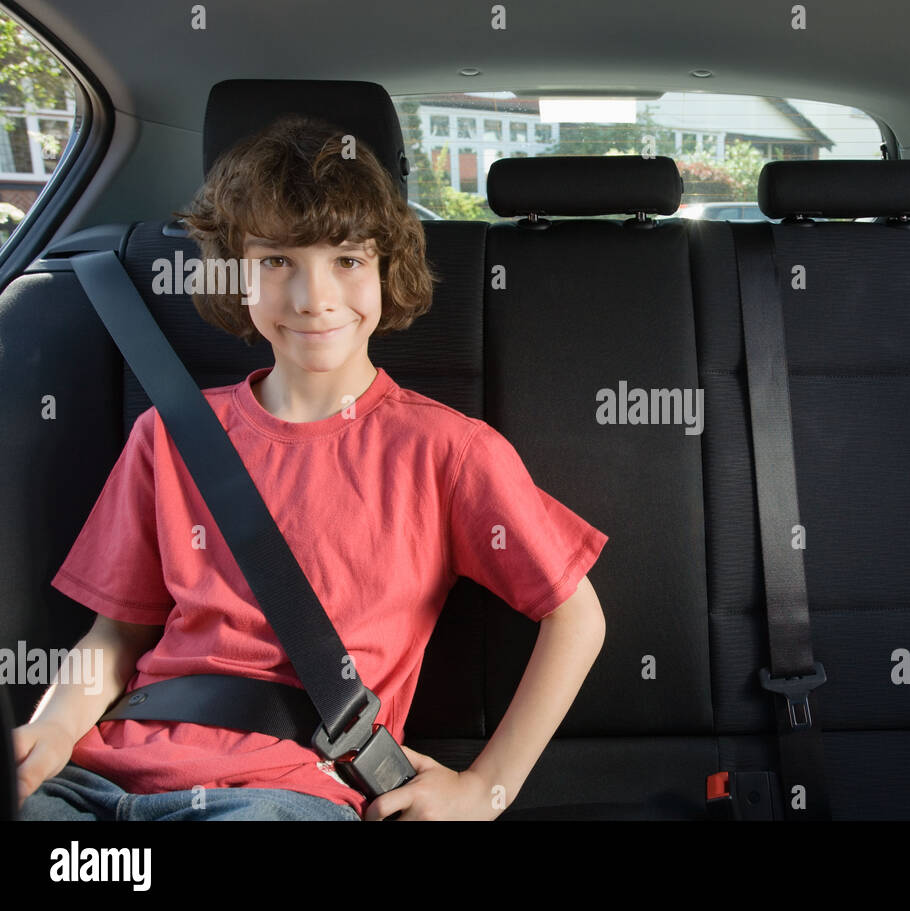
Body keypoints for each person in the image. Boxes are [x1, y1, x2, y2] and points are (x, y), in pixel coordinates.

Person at [13, 113, 608, 821]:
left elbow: (577, 616)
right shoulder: (169, 435)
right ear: (239, 277)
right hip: (101, 777)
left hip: (286, 792)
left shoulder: (447, 451)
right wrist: (49, 730)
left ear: (388, 269)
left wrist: (486, 788)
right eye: (276, 262)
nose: (313, 297)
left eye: (347, 260)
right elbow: (115, 636)